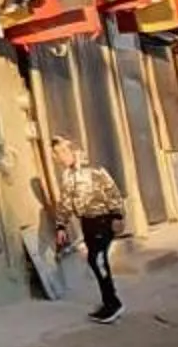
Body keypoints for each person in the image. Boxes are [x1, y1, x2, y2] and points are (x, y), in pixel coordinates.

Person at [50, 135, 128, 322]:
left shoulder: (94, 170)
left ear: (72, 150)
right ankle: (109, 301)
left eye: (62, 152)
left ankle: (113, 303)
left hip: (103, 220)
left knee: (97, 259)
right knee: (96, 261)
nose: (59, 157)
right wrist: (61, 225)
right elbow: (66, 203)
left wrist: (117, 216)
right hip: (87, 223)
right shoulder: (68, 176)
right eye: (56, 154)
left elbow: (112, 192)